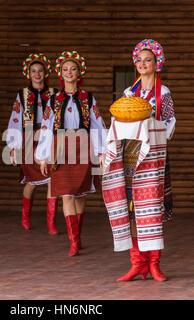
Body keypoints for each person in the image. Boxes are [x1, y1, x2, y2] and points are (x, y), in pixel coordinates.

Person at [117, 39, 176, 281]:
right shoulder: (129, 93)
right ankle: (137, 263)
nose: (143, 64)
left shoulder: (163, 93)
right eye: (139, 60)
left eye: (147, 60)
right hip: (131, 156)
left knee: (152, 209)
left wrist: (155, 133)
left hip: (154, 156)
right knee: (132, 210)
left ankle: (154, 263)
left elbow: (170, 122)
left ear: (157, 63)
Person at [36, 51, 105, 256]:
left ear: (79, 72)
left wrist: (101, 151)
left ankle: (78, 235)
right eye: (65, 69)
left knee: (79, 194)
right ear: (60, 73)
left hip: (82, 146)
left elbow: (98, 126)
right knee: (66, 193)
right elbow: (47, 126)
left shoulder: (88, 98)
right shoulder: (53, 100)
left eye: (72, 69)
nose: (69, 72)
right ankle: (73, 241)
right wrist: (42, 155)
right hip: (59, 148)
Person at [6, 53, 59, 234]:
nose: (37, 74)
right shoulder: (22, 95)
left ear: (45, 73)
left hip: (48, 140)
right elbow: (15, 119)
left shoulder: (54, 94)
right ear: (28, 74)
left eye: (40, 71)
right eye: (33, 71)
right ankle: (25, 215)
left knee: (52, 179)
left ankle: (51, 222)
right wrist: (13, 146)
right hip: (27, 141)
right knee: (33, 182)